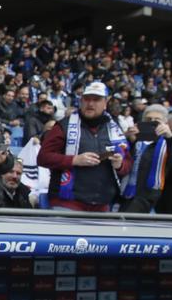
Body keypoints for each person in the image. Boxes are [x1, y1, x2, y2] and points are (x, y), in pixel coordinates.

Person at [38, 82, 132, 212]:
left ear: (105, 103)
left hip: (102, 204)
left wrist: (120, 165)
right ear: (81, 101)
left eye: (96, 100)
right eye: (87, 99)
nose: (90, 104)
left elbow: (128, 163)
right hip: (67, 202)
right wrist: (74, 160)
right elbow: (43, 157)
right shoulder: (62, 126)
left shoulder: (115, 130)